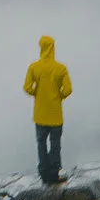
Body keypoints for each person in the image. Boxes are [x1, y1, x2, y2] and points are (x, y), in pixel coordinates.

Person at [23, 34, 72, 184]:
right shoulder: (61, 68)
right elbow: (68, 89)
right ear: (53, 48)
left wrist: (37, 93)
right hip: (55, 113)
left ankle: (43, 172)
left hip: (40, 114)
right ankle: (54, 172)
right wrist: (59, 96)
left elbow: (27, 87)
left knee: (41, 143)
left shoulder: (34, 67)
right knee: (55, 143)